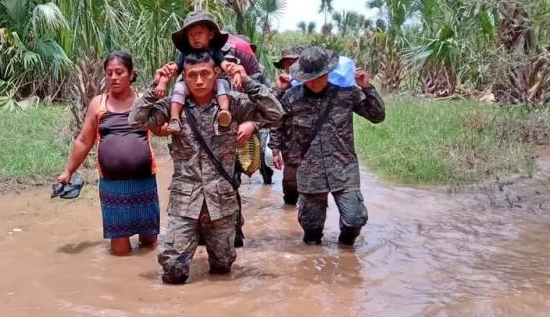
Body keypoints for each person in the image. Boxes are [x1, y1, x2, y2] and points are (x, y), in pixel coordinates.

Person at [130, 52, 283, 284]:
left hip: (221, 201)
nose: (199, 81)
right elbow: (135, 121)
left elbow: (276, 113)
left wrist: (248, 81)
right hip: (185, 201)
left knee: (222, 268)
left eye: (205, 74)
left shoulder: (232, 103)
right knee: (173, 270)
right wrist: (157, 85)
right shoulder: (175, 106)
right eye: (192, 75)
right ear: (184, 77)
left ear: (216, 74)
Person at [269, 46, 385, 247]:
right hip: (310, 172)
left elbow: (377, 116)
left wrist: (367, 87)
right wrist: (278, 91)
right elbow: (267, 116)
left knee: (354, 219)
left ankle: (346, 251)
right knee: (311, 232)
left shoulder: (347, 94)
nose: (314, 82)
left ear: (328, 72)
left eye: (319, 76)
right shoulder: (292, 97)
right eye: (309, 77)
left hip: (344, 168)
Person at [57, 51, 164, 256]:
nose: (114, 77)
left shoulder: (143, 101)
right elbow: (83, 141)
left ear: (131, 74)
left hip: (144, 180)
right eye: (109, 73)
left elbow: (160, 128)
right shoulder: (98, 104)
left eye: (119, 72)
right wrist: (68, 171)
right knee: (119, 251)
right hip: (113, 185)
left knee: (150, 243)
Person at [154, 11, 244, 133]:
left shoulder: (215, 52)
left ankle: (224, 111)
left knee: (223, 82)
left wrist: (237, 74)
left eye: (199, 33)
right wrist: (162, 83)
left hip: (213, 85)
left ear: (211, 34)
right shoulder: (185, 55)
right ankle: (174, 118)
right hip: (189, 86)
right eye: (191, 34)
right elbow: (171, 70)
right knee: (179, 87)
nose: (195, 37)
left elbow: (227, 66)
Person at [271, 45, 305, 205]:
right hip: (290, 149)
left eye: (294, 61)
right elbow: (275, 120)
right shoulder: (281, 90)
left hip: (313, 151)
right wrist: (275, 151)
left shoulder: (315, 86)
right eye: (287, 63)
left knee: (314, 196)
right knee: (290, 188)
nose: (290, 66)